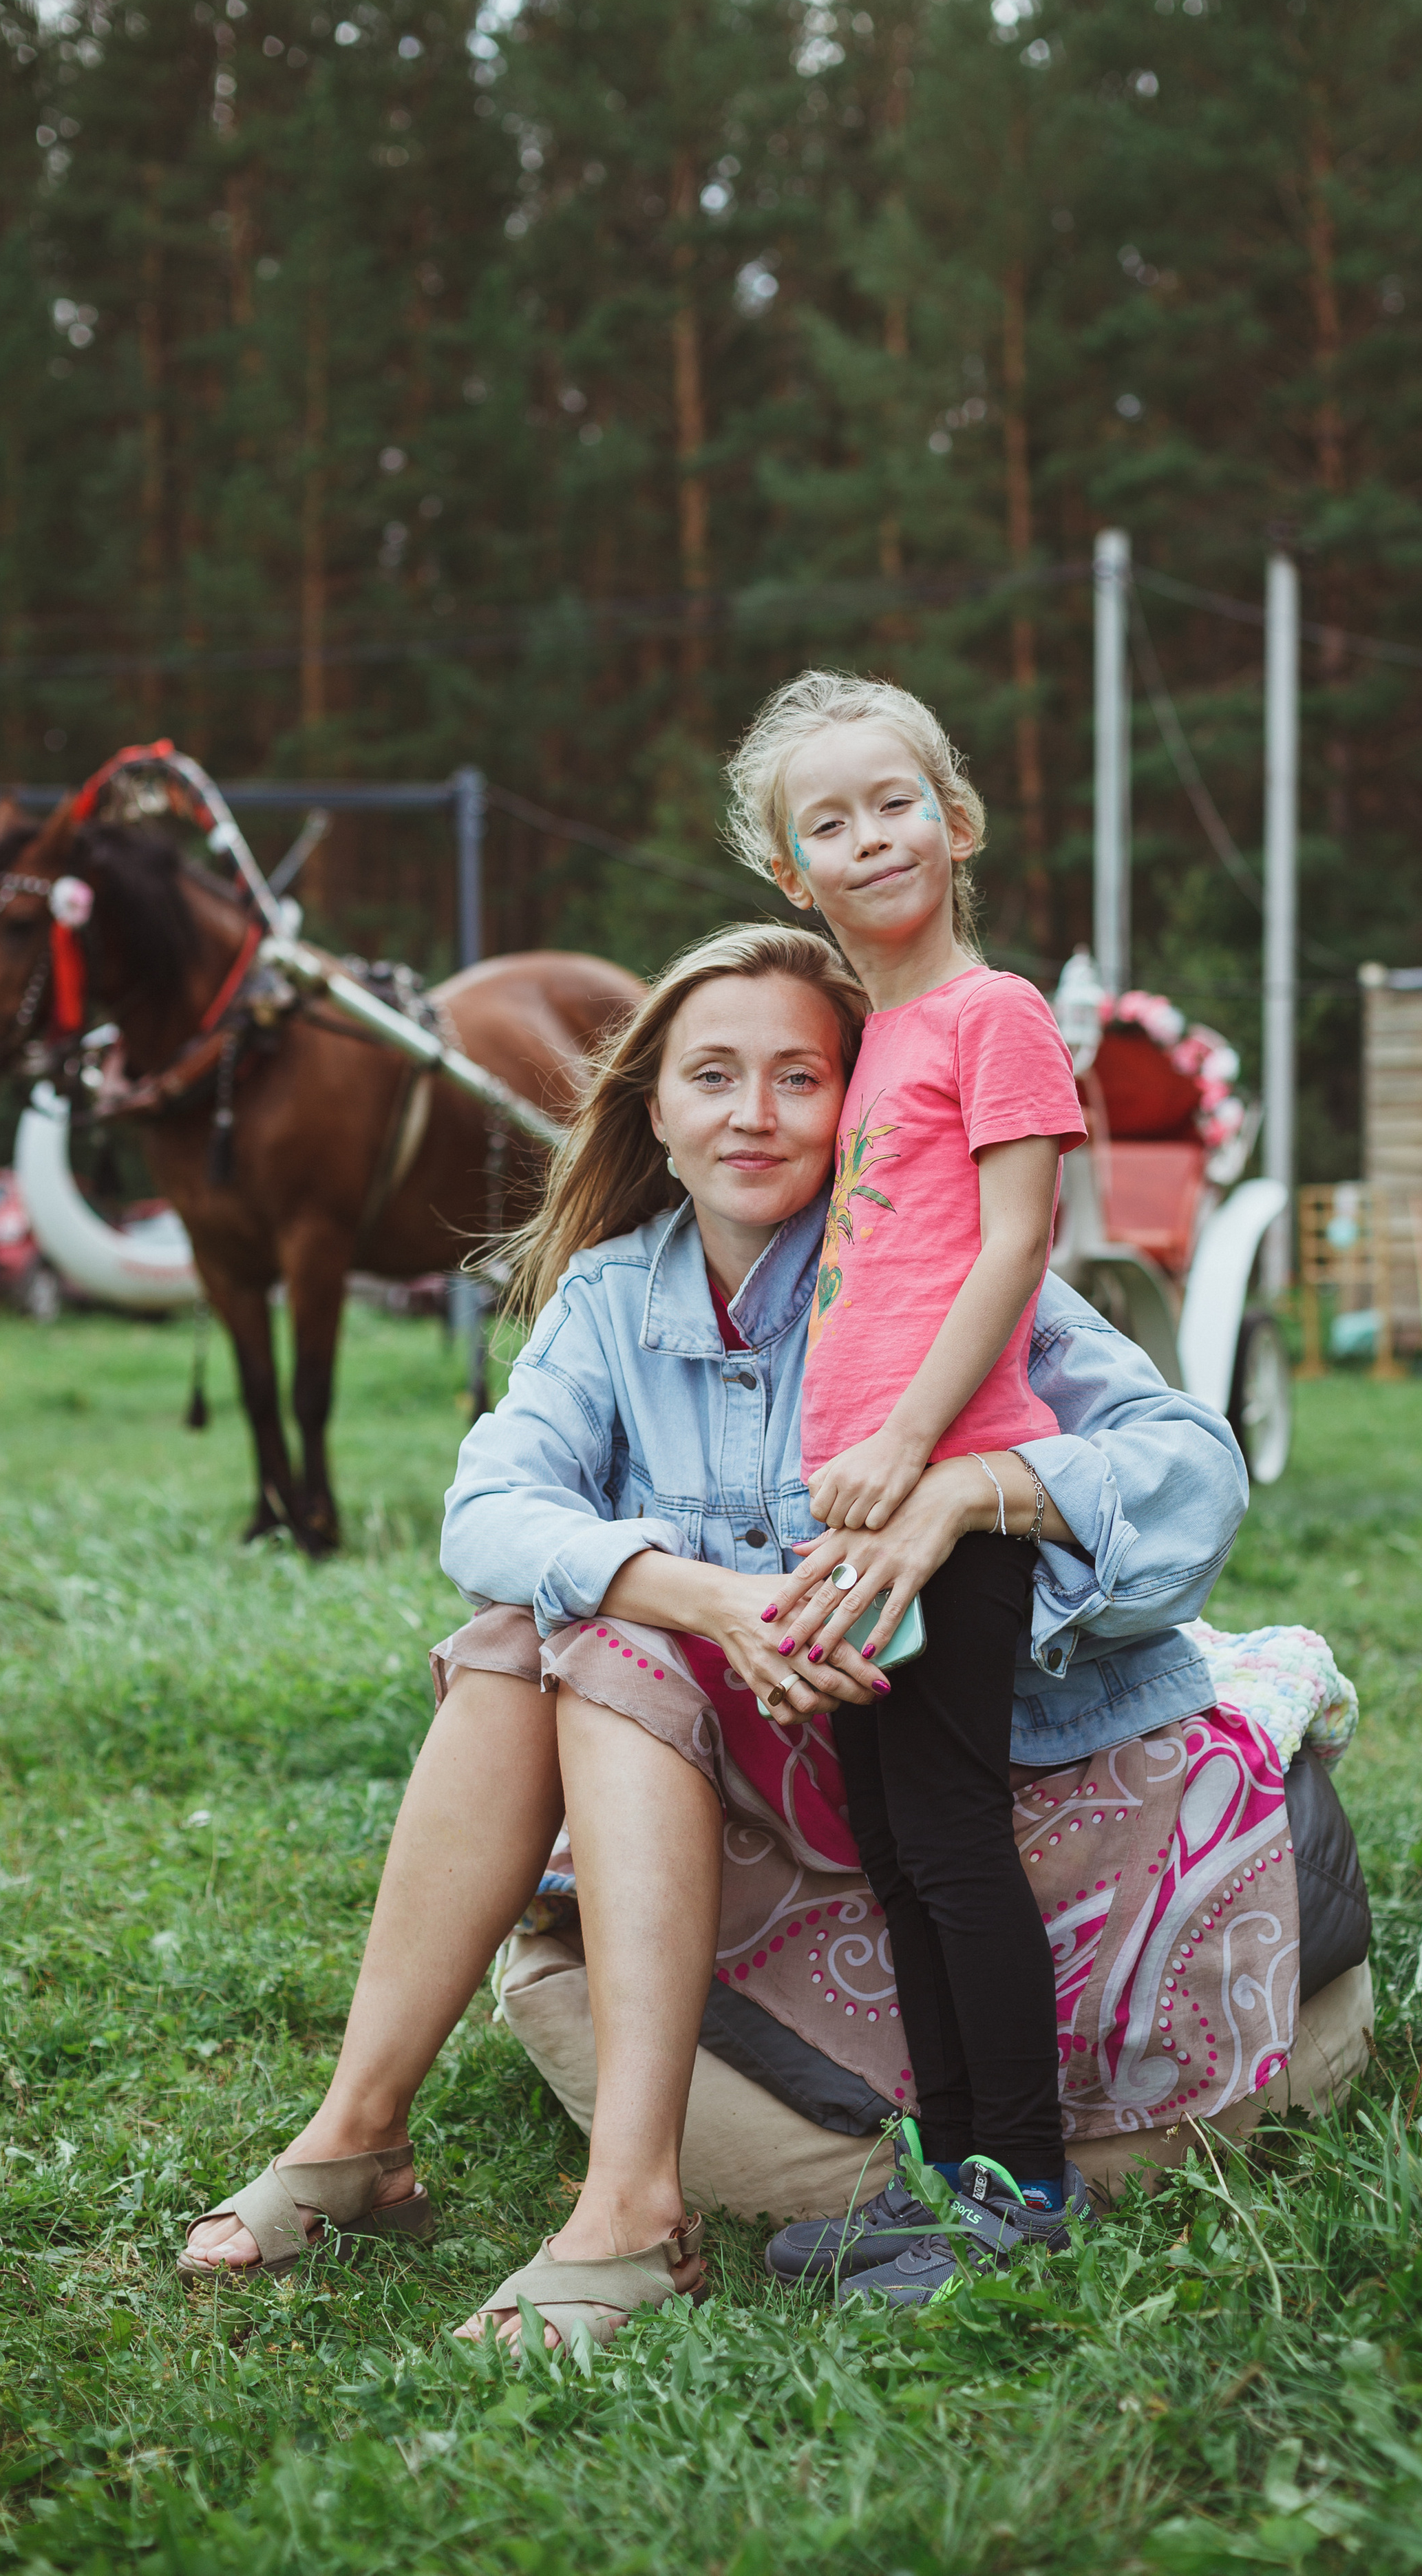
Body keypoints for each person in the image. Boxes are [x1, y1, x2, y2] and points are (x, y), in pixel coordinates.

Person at [176, 920, 1248, 2352]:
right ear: (653, 1109)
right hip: (727, 1757)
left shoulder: (938, 1279)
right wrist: (701, 1596)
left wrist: (957, 1495)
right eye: (712, 1077)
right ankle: (361, 2128)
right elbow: (487, 1506)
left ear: (857, 1110)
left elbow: (1193, 1471)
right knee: (530, 1630)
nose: (753, 1115)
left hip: (927, 1741)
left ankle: (629, 2209)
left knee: (590, 1638)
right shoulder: (613, 1300)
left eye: (799, 1079)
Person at [718, 672, 1089, 2283]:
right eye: (829, 822)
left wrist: (904, 1444)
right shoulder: (872, 1046)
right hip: (858, 1510)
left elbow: (1013, 1244)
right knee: (890, 1835)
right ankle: (950, 2169)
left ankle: (1024, 2187)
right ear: (790, 875)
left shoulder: (993, 1012)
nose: (870, 836)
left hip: (945, 1496)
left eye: (896, 803)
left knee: (947, 1834)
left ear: (955, 821)